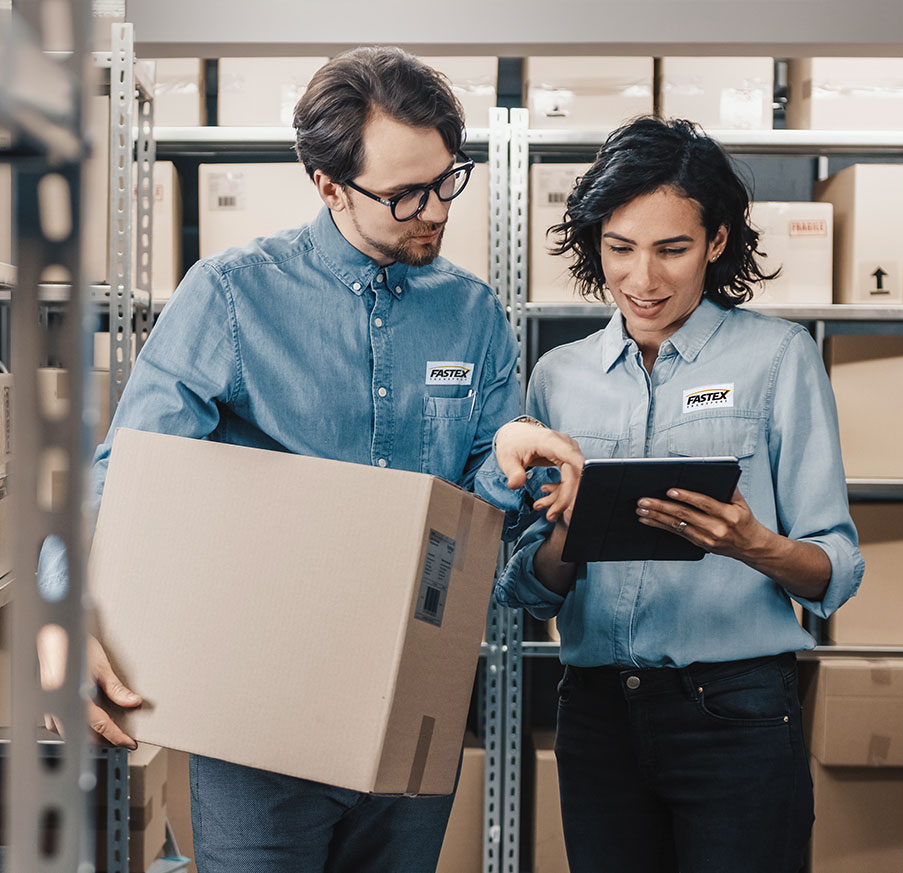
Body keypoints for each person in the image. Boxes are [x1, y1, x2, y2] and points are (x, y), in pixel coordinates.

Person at [37, 46, 582, 873]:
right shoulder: (229, 297)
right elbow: (124, 477)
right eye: (403, 194)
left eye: (447, 180)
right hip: (261, 723)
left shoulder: (474, 316)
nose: (434, 209)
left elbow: (477, 530)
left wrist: (505, 464)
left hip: (412, 712)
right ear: (327, 185)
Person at [486, 116, 864, 873]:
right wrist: (565, 532)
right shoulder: (559, 377)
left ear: (717, 242)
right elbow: (530, 590)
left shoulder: (779, 358)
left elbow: (838, 567)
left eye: (672, 249)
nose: (643, 279)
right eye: (620, 249)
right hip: (595, 713)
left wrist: (753, 544)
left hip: (737, 712)